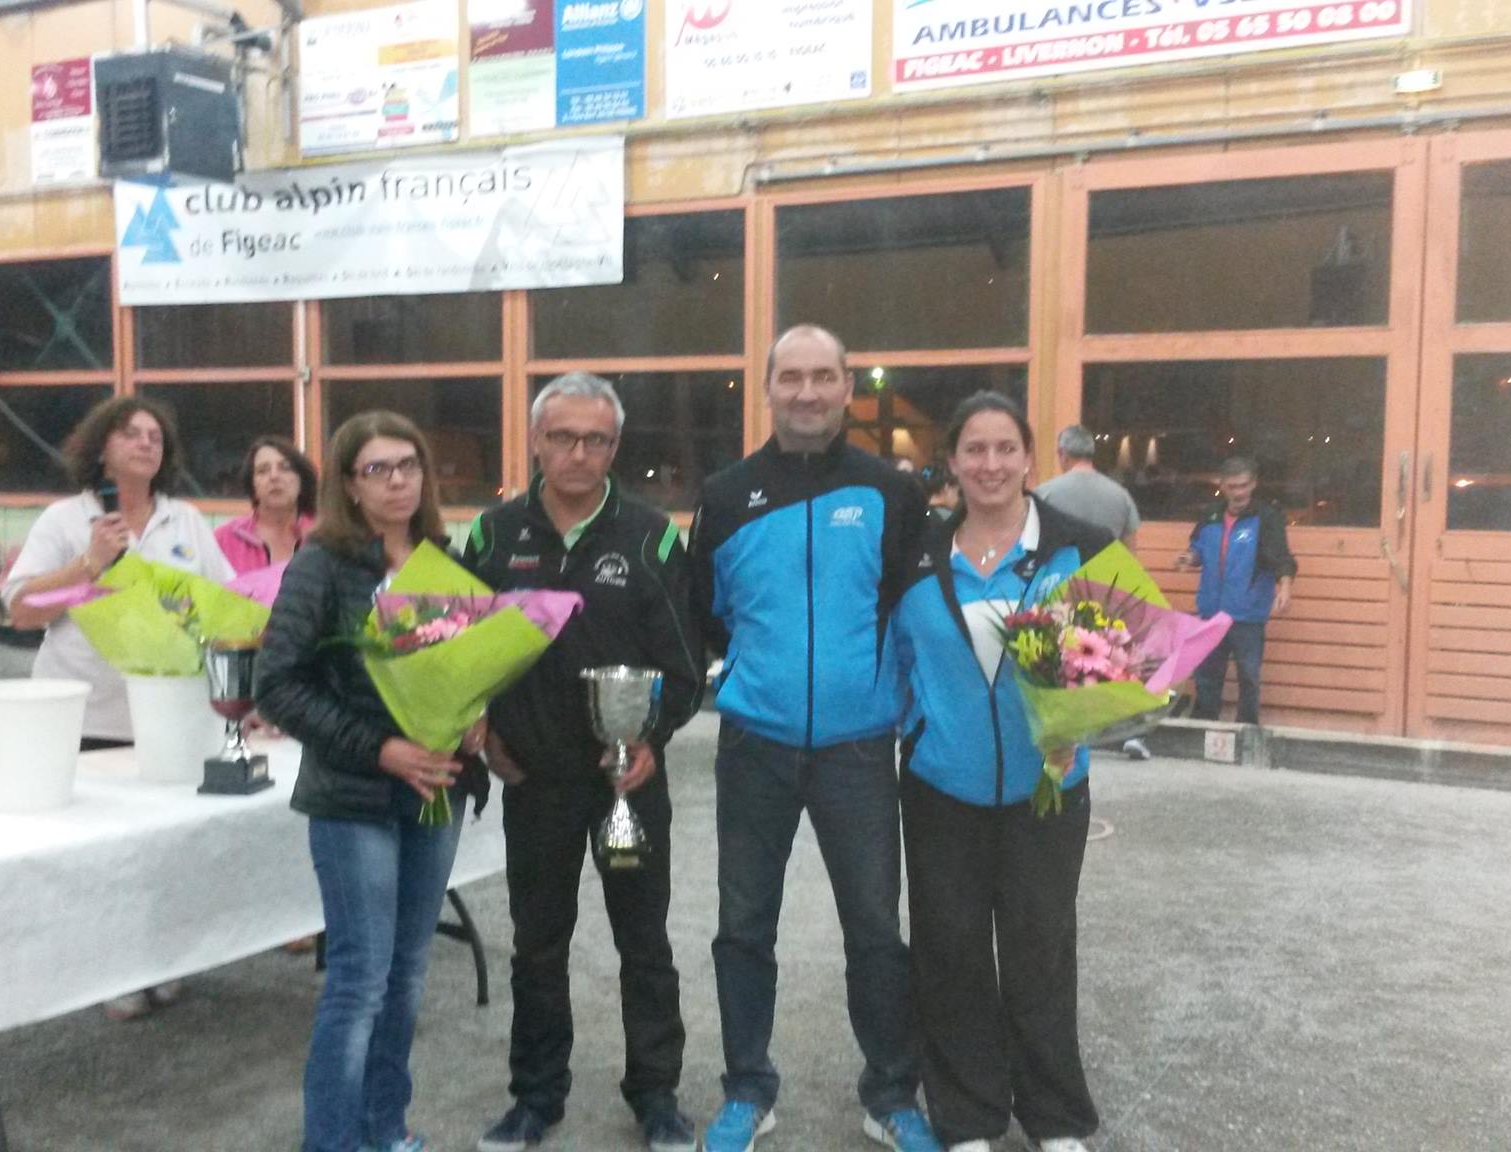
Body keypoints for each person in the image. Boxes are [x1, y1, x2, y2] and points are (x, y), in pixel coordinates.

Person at [688, 324, 940, 1152]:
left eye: (823, 377)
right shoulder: (726, 494)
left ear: (846, 387)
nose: (806, 392)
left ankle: (891, 1091)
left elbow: (920, 616)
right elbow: (706, 615)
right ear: (767, 387)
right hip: (754, 745)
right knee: (742, 924)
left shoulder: (889, 493)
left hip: (860, 750)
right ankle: (747, 1091)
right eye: (790, 377)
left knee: (873, 925)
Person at [462, 373, 702, 1152]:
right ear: (535, 440)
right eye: (563, 436)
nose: (578, 453)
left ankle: (657, 1095)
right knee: (538, 945)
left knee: (644, 942)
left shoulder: (650, 536)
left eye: (596, 440)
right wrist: (484, 731)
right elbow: (459, 652)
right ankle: (535, 1098)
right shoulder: (492, 537)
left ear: (615, 447)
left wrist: (653, 741)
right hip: (536, 784)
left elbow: (687, 663)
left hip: (625, 785)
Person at [256, 411, 490, 1152]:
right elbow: (278, 686)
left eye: (409, 466)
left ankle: (385, 1129)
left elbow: (467, 667)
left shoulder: (446, 563)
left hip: (436, 793)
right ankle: (332, 1142)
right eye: (378, 470)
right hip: (356, 794)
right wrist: (381, 748)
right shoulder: (320, 565)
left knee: (410, 975)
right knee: (359, 982)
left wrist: (477, 713)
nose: (397, 481)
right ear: (350, 488)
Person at [894, 393, 1105, 1152]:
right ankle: (968, 1118)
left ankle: (1056, 1119)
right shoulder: (915, 552)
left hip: (1046, 790)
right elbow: (895, 665)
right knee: (949, 952)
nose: (989, 465)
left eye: (1004, 449)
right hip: (940, 788)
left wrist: (1081, 728)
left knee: (1039, 949)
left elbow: (1119, 660)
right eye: (974, 450)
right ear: (952, 463)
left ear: (1028, 458)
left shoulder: (1081, 542)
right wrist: (911, 729)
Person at [0, 395, 234, 1021]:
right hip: (87, 710)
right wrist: (87, 564)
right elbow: (20, 609)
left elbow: (225, 607)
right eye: (130, 433)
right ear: (101, 447)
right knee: (101, 850)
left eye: (156, 435)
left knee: (165, 844)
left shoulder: (184, 522)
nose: (145, 443)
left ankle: (161, 955)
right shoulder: (64, 519)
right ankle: (107, 968)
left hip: (171, 714)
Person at [1034, 424, 1150, 760]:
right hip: (1107, 588)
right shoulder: (1120, 495)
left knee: (1062, 662)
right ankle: (1130, 732)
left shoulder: (1046, 493)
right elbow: (1130, 554)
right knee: (1116, 660)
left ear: (1063, 455)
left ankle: (1064, 727)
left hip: (1062, 591)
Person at [1175, 457, 1296, 724]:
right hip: (1211, 611)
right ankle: (1204, 728)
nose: (1239, 492)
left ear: (1253, 484)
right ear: (1222, 486)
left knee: (1249, 676)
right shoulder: (1210, 516)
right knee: (1206, 675)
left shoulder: (1267, 517)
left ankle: (1247, 729)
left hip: (1247, 614)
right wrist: (1188, 558)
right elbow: (1197, 550)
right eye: (1232, 486)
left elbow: (1282, 558)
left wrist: (1284, 588)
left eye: (1244, 485)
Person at [216, 435, 317, 573]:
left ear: (301, 480)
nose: (274, 476)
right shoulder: (225, 539)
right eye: (263, 470)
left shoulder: (323, 537)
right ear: (252, 485)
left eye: (285, 468)